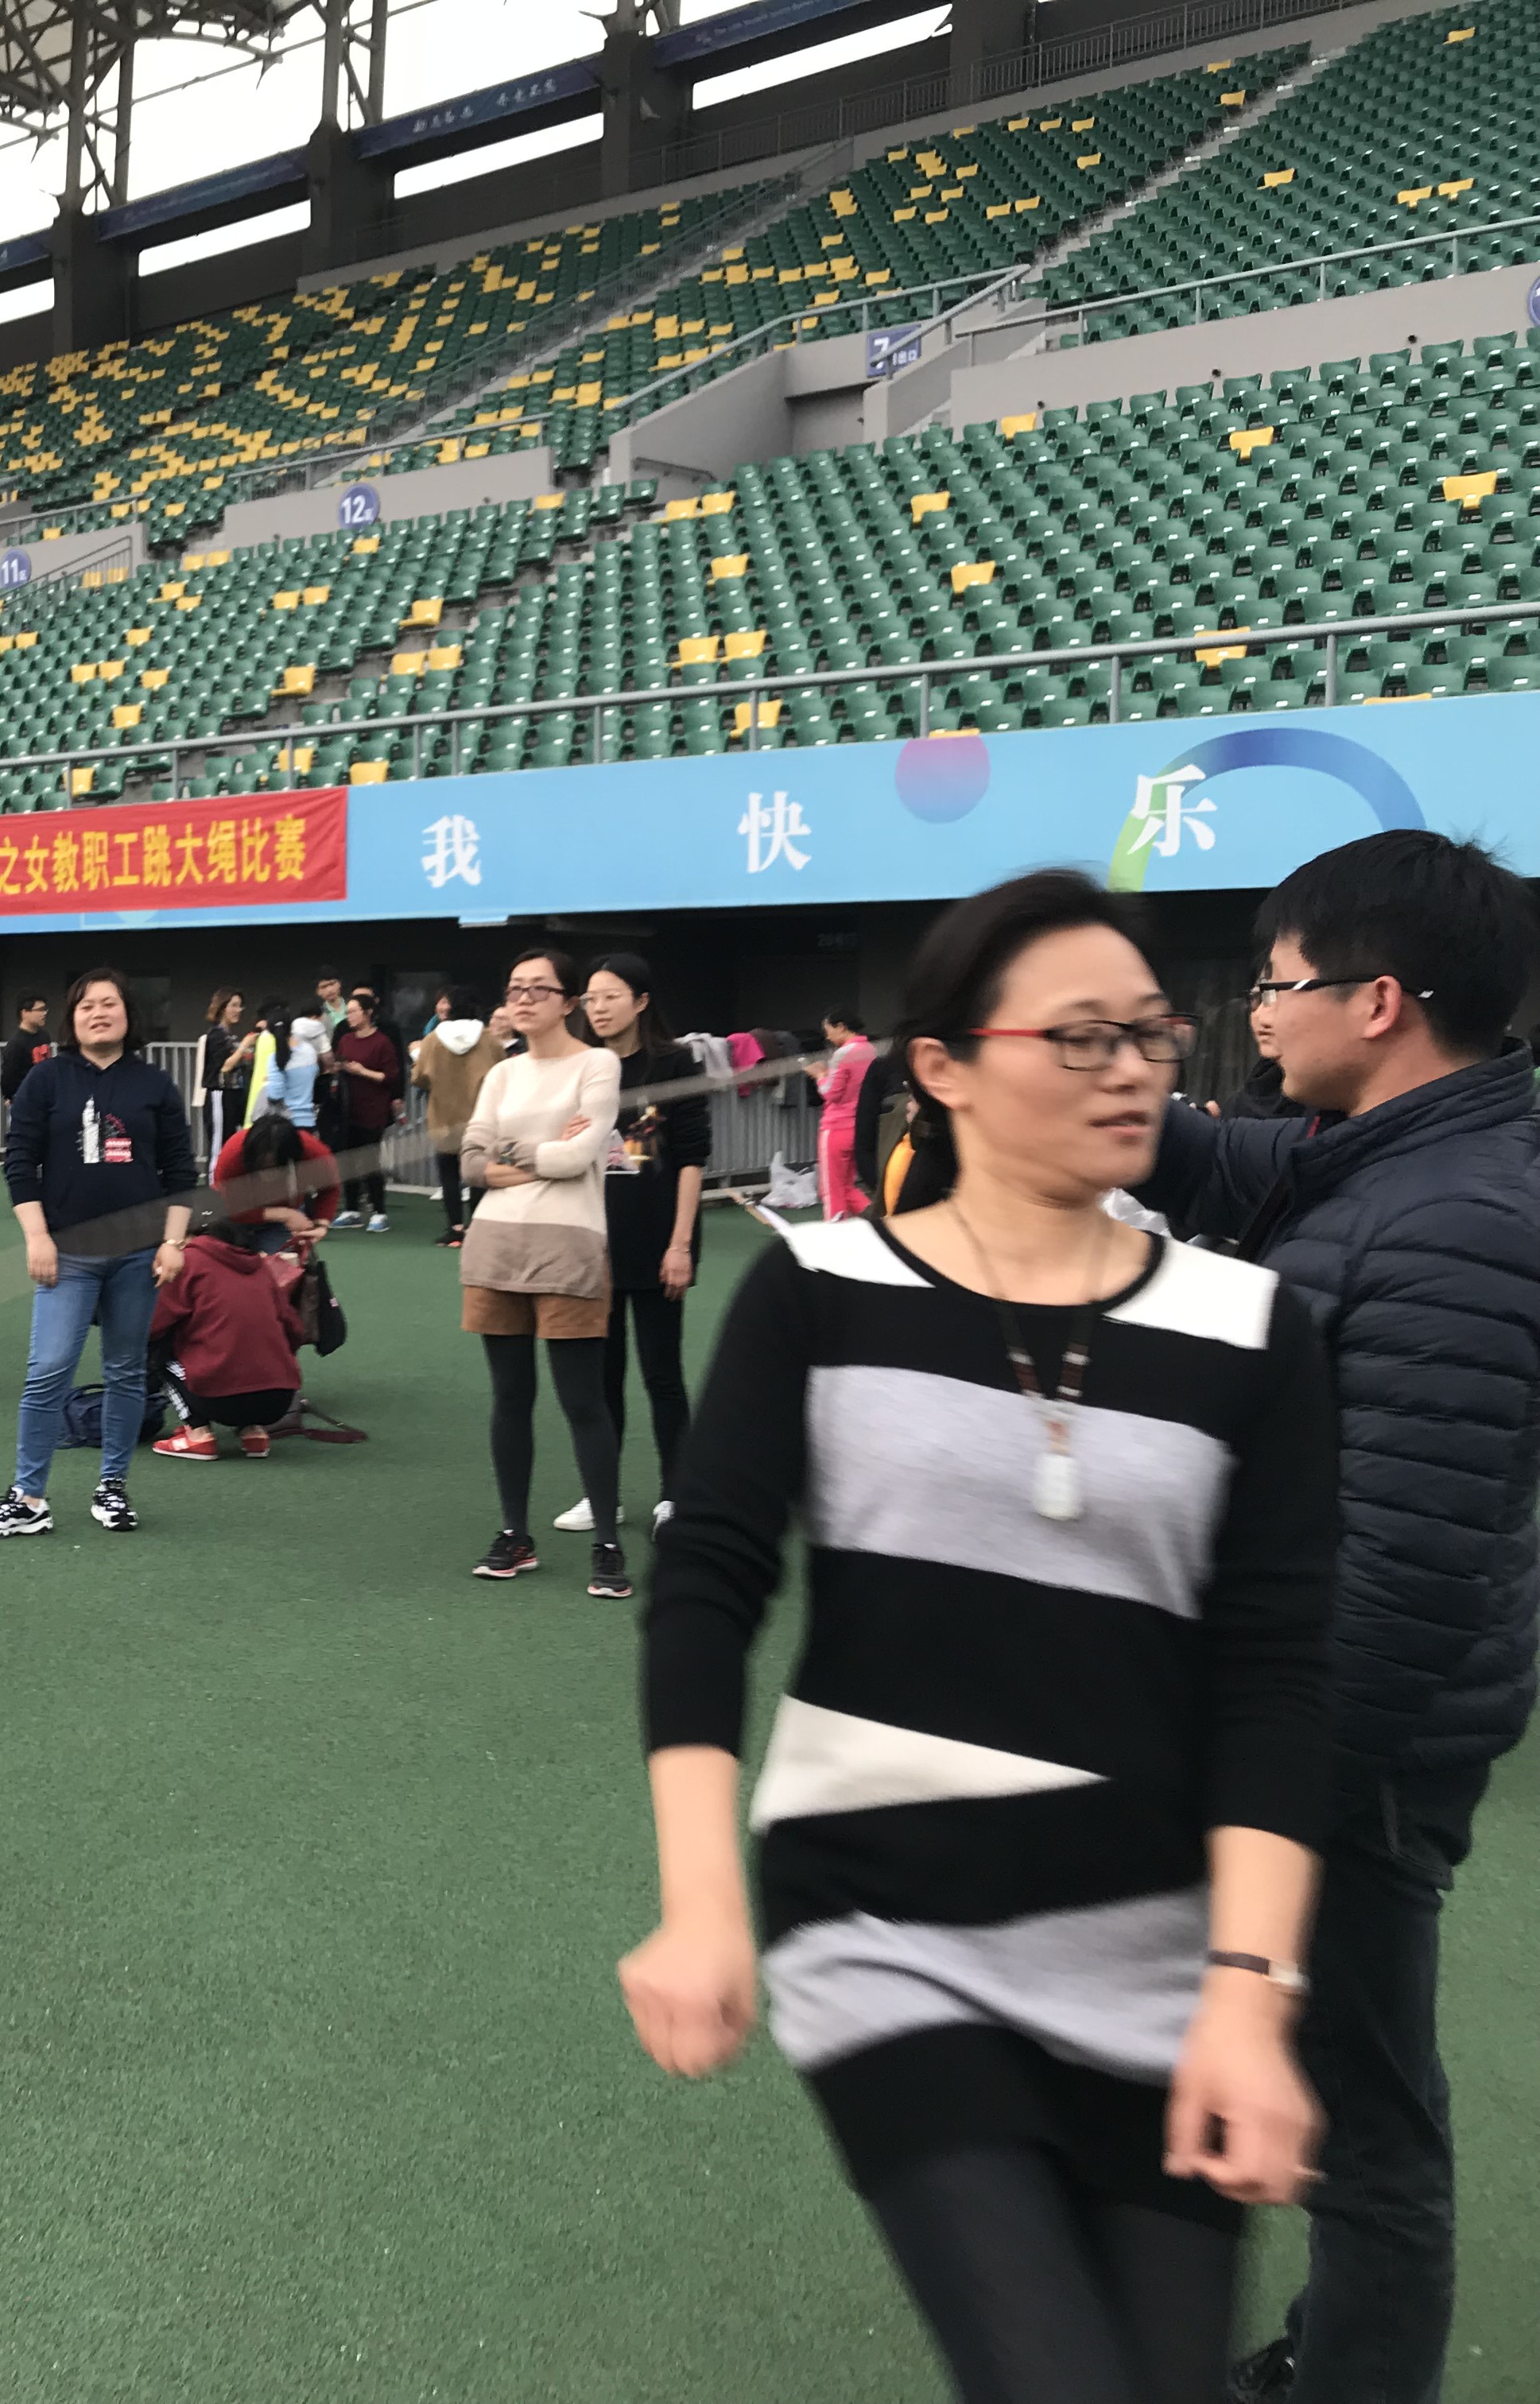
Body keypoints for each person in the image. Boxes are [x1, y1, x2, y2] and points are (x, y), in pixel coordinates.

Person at [623, 869, 1334, 2404]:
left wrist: (1249, 1989)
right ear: (942, 1065)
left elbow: (1277, 1670)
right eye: (1077, 1035)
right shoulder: (820, 1289)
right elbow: (707, 1588)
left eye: (1148, 1032)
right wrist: (699, 1902)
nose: (1131, 1068)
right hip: (892, 1927)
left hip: (1158, 1950)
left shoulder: (1251, 1327)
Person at [1130, 832, 1540, 2404]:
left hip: (1352, 1750)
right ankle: (1338, 2339)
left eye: (1278, 983)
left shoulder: (1455, 1217)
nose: (1257, 1012)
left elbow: (1405, 1577)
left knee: (1366, 2115)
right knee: (1338, 2076)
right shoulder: (1380, 1152)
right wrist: (1063, 1066)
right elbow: (1219, 1161)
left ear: (1378, 1002)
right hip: (1322, 1716)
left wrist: (1269, 1799)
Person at [0, 970, 196, 1537]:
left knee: (125, 1371)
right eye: (86, 1006)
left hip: (139, 1254)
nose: (98, 1013)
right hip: (67, 1252)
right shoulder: (46, 1078)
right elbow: (19, 1161)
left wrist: (173, 1242)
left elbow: (180, 1171)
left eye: (109, 1003)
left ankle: (112, 1488)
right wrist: (37, 1236)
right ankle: (29, 1498)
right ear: (71, 1019)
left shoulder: (155, 1084)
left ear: (128, 1013)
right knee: (48, 1369)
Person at [460, 947, 628, 1599]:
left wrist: (514, 1153)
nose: (524, 999)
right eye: (515, 988)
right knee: (510, 1398)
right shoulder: (501, 1072)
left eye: (539, 989)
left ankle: (607, 1543)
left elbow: (583, 1154)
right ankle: (514, 1534)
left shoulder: (597, 1063)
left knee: (582, 1400)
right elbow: (471, 1163)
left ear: (569, 1001)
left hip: (570, 1247)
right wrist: (544, 1152)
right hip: (494, 1245)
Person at [557, 953, 710, 1541]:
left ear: (641, 1002)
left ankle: (678, 1493)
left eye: (610, 996)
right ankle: (604, 1495)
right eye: (591, 998)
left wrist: (680, 1245)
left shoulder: (675, 1063)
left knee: (661, 1375)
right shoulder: (578, 1066)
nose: (597, 1008)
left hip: (658, 1240)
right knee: (602, 1378)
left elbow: (692, 1158)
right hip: (593, 1243)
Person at [146, 1208, 308, 1463]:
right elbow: (293, 1328)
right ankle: (253, 1433)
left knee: (159, 1355)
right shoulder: (259, 1264)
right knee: (247, 1348)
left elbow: (155, 1325)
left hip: (220, 1398)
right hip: (280, 1399)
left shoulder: (188, 1260)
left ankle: (198, 1435)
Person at [414, 988, 509, 1248]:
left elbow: (419, 1077)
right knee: (479, 1174)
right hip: (481, 1116)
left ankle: (455, 1229)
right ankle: (478, 1227)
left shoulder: (433, 1040)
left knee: (448, 1175)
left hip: (443, 1117)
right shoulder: (489, 1040)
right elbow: (504, 1075)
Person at [210, 1110, 339, 1254]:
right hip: (234, 1218)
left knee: (280, 1263)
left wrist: (321, 1223)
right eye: (260, 1167)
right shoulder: (232, 1155)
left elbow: (330, 1188)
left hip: (282, 1220)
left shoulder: (314, 1153)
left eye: (275, 1167)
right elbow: (227, 1205)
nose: (266, 1175)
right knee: (224, 1259)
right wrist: (284, 1214)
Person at [328, 987, 403, 1231]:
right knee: (347, 1160)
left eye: (353, 1011)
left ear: (367, 1013)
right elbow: (338, 1065)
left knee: (370, 1161)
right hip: (346, 1109)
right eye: (348, 1012)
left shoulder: (382, 1042)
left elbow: (390, 1077)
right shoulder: (345, 1040)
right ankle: (351, 1210)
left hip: (372, 1110)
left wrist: (362, 1071)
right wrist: (337, 1068)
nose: (349, 1016)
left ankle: (379, 1212)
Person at [813, 1007, 875, 1219]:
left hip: (836, 1126)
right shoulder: (870, 1050)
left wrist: (820, 1075)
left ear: (841, 1027)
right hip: (858, 1126)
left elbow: (830, 1092)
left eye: (828, 1030)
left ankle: (835, 1234)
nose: (828, 1037)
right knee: (847, 1187)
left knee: (831, 1190)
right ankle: (879, 1222)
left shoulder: (842, 1054)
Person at [196, 987, 251, 1155]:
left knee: (229, 1145)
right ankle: (215, 1174)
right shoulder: (216, 1035)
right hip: (219, 1095)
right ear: (222, 1008)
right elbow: (225, 1066)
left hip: (232, 1096)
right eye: (233, 1005)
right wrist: (244, 1045)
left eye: (240, 1006)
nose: (238, 1010)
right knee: (219, 1148)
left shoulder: (229, 1036)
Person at [263, 1014, 325, 1133]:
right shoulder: (309, 1051)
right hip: (309, 1121)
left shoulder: (275, 1059)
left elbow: (275, 1095)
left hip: (284, 1126)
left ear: (271, 1033)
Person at [0, 994, 55, 1105]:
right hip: (26, 1098)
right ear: (24, 1013)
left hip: (45, 1094)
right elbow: (8, 1074)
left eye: (45, 1010)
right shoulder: (16, 1043)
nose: (44, 1013)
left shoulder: (44, 1036)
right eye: (39, 1010)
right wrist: (10, 1096)